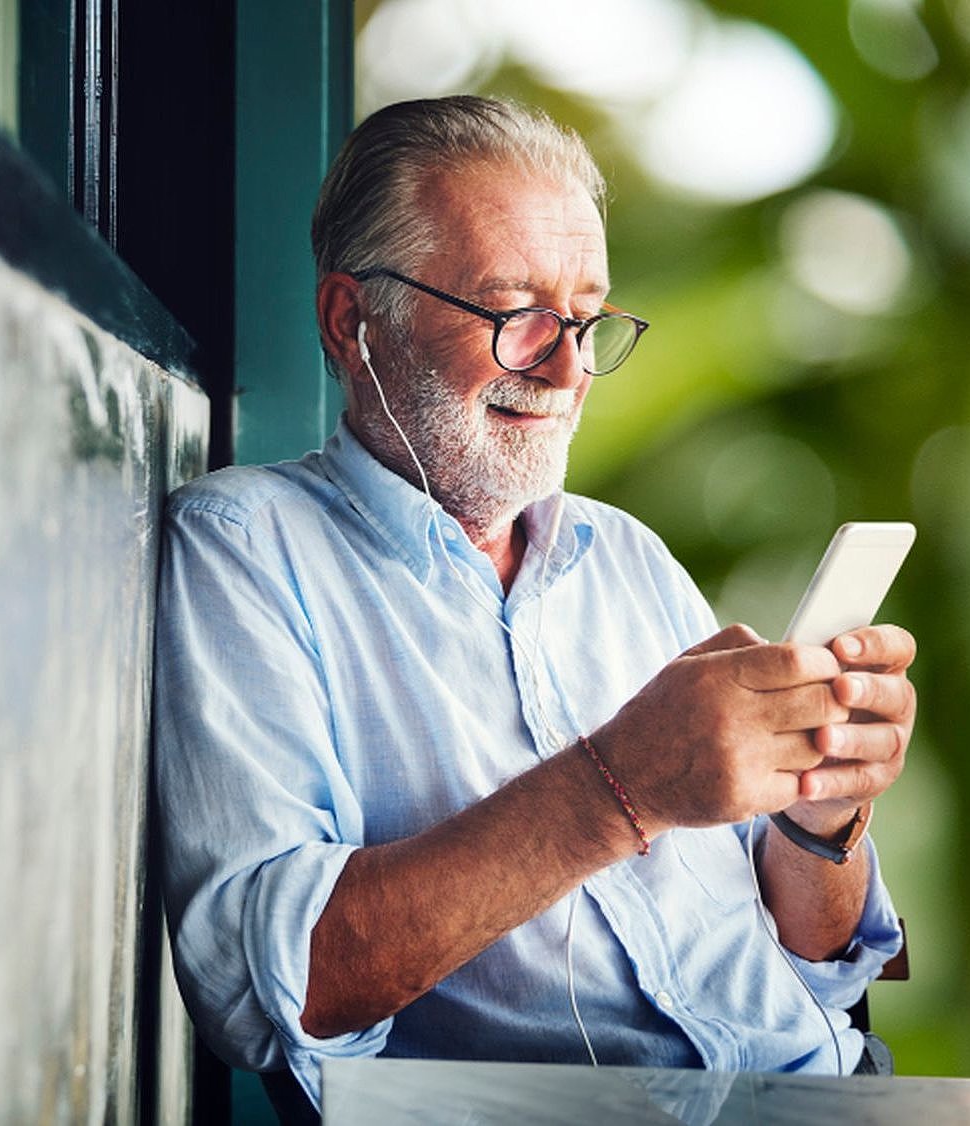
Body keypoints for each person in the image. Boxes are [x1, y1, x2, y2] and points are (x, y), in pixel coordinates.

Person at [152, 95, 913, 1116]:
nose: (567, 368)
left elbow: (822, 960)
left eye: (587, 318)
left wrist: (822, 824)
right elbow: (264, 992)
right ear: (353, 321)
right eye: (516, 316)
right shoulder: (245, 547)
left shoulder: (625, 556)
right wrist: (622, 783)